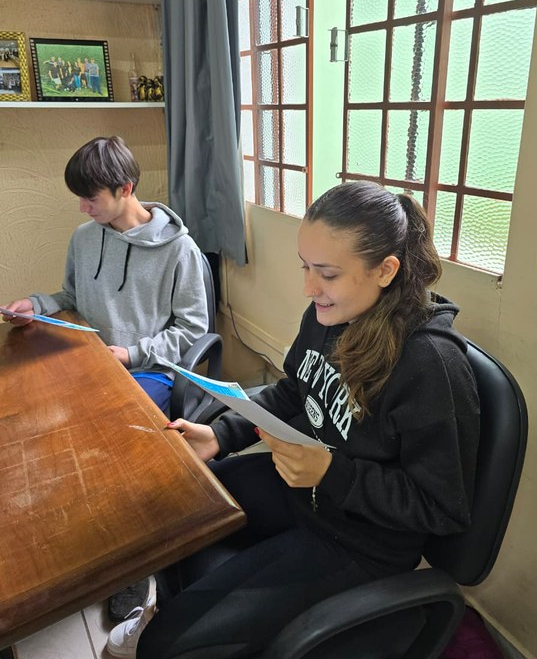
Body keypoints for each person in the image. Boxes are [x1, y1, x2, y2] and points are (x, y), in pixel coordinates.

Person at [104, 180, 480, 659]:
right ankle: (165, 602)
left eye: (327, 274)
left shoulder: (431, 366)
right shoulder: (330, 316)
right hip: (303, 493)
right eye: (306, 267)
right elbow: (292, 391)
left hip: (358, 542)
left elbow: (442, 508)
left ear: (385, 270)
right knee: (177, 503)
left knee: (163, 647)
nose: (308, 288)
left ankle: (169, 623)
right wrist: (220, 434)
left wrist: (333, 473)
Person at [1, 135, 209, 415]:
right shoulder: (83, 237)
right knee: (29, 400)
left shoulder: (179, 248)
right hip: (88, 358)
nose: (82, 207)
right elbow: (73, 296)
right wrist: (35, 306)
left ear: (125, 188)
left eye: (91, 198)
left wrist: (132, 354)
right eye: (80, 197)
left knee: (104, 420)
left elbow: (192, 328)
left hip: (150, 370)